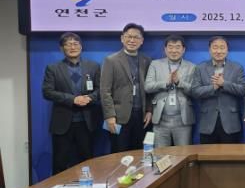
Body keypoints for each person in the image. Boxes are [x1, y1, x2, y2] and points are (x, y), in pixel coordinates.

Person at [42, 32, 101, 174]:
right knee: (60, 163)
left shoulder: (93, 66)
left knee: (87, 162)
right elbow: (47, 92)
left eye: (75, 44)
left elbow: (101, 89)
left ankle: (87, 187)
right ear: (61, 48)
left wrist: (90, 98)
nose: (72, 47)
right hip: (62, 124)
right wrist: (72, 99)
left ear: (81, 46)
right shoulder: (53, 68)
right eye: (68, 44)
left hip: (87, 123)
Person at [101, 23, 152, 153]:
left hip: (140, 116)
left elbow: (149, 89)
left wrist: (149, 110)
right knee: (119, 154)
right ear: (122, 38)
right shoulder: (111, 60)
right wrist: (109, 116)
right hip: (118, 117)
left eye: (136, 37)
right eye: (129, 36)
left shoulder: (146, 60)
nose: (132, 40)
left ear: (142, 41)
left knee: (138, 153)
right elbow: (105, 91)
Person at [192, 35, 245, 144]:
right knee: (207, 154)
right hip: (207, 123)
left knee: (231, 154)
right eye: (215, 47)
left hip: (230, 123)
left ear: (227, 50)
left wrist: (224, 84)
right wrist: (214, 87)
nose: (218, 51)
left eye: (222, 47)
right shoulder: (200, 68)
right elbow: (195, 91)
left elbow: (243, 90)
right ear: (209, 49)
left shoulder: (237, 68)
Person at [144, 34, 195, 147]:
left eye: (177, 47)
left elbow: (195, 91)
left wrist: (179, 83)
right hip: (160, 120)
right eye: (170, 47)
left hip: (183, 120)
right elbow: (147, 87)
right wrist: (165, 83)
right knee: (161, 154)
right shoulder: (155, 64)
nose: (174, 50)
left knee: (184, 154)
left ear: (183, 49)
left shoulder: (192, 67)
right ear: (165, 49)